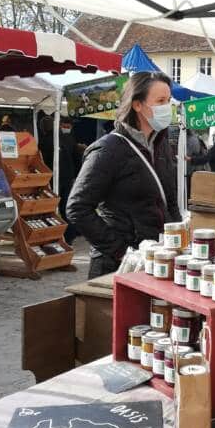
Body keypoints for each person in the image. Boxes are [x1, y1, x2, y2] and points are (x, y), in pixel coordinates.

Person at [66, 71, 181, 277]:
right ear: (137, 104)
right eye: (161, 101)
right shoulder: (108, 149)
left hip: (156, 259)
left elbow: (169, 200)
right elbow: (77, 207)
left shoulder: (161, 146)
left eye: (169, 100)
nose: (167, 107)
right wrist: (120, 250)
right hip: (117, 264)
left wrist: (177, 240)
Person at [39, 116, 83, 244]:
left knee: (51, 209)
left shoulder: (44, 141)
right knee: (65, 207)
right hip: (68, 177)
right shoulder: (68, 138)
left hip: (52, 179)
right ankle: (70, 234)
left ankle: (54, 235)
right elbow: (76, 157)